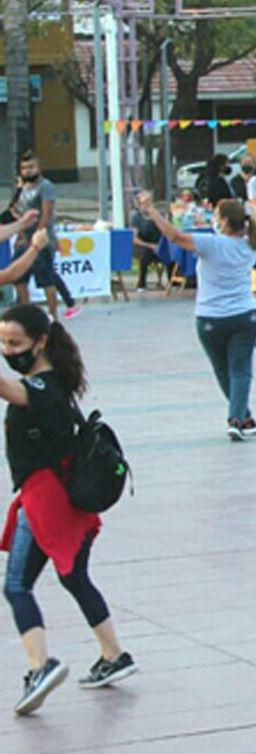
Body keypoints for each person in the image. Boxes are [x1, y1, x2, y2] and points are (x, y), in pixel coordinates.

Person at [1, 303, 137, 716]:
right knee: (74, 576)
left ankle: (40, 667)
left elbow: (11, 390)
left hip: (48, 502)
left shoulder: (43, 388)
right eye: (3, 343)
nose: (8, 351)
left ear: (40, 342)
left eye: (15, 343)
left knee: (16, 586)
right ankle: (114, 654)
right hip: (67, 499)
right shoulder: (53, 379)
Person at [136, 191, 256, 440]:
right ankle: (241, 416)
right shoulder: (253, 243)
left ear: (224, 221)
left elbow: (174, 236)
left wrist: (151, 210)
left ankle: (237, 417)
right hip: (245, 315)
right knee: (241, 370)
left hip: (210, 317)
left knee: (223, 370)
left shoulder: (211, 243)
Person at [11, 153, 79, 321]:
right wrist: (19, 234)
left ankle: (53, 316)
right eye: (24, 168)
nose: (27, 171)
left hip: (41, 240)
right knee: (19, 278)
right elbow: (15, 210)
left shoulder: (45, 186)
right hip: (24, 239)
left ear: (39, 168)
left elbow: (46, 214)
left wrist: (38, 235)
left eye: (31, 167)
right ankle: (26, 314)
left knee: (46, 280)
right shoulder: (22, 188)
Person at [129, 202, 167, 292]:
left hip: (158, 245)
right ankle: (141, 284)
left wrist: (160, 245)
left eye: (147, 205)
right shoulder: (136, 218)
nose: (145, 207)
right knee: (146, 253)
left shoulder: (157, 217)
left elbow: (165, 232)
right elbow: (134, 239)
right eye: (142, 205)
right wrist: (150, 246)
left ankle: (174, 282)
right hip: (143, 246)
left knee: (171, 252)